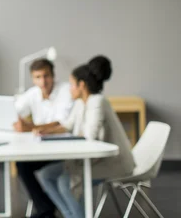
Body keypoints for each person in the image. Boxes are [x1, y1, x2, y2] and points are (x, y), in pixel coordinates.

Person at [34, 56, 135, 218]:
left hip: (113, 163)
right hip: (92, 161)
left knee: (65, 182)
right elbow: (67, 125)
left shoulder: (97, 102)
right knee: (46, 175)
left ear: (82, 85)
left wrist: (76, 135)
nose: (69, 89)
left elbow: (90, 137)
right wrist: (46, 131)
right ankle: (71, 215)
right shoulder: (81, 102)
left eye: (72, 85)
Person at [13, 58, 73, 218]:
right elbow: (15, 110)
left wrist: (30, 127)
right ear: (33, 79)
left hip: (64, 149)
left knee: (29, 168)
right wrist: (19, 122)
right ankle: (46, 210)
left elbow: (61, 123)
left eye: (46, 76)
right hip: (43, 147)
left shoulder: (66, 90)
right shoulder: (33, 93)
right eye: (38, 77)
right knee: (22, 165)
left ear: (53, 75)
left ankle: (46, 210)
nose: (43, 81)